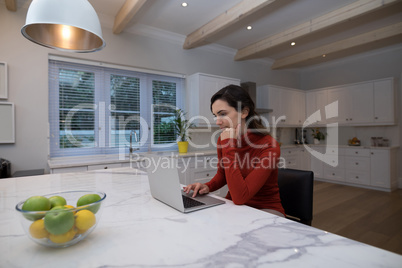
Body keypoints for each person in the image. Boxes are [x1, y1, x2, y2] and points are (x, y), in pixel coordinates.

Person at [183, 84, 285, 217]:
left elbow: (240, 197)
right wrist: (207, 186)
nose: (218, 122)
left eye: (223, 114)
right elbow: (223, 174)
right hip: (235, 206)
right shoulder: (224, 140)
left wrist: (229, 145)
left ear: (244, 112)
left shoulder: (269, 145)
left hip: (265, 210)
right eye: (215, 116)